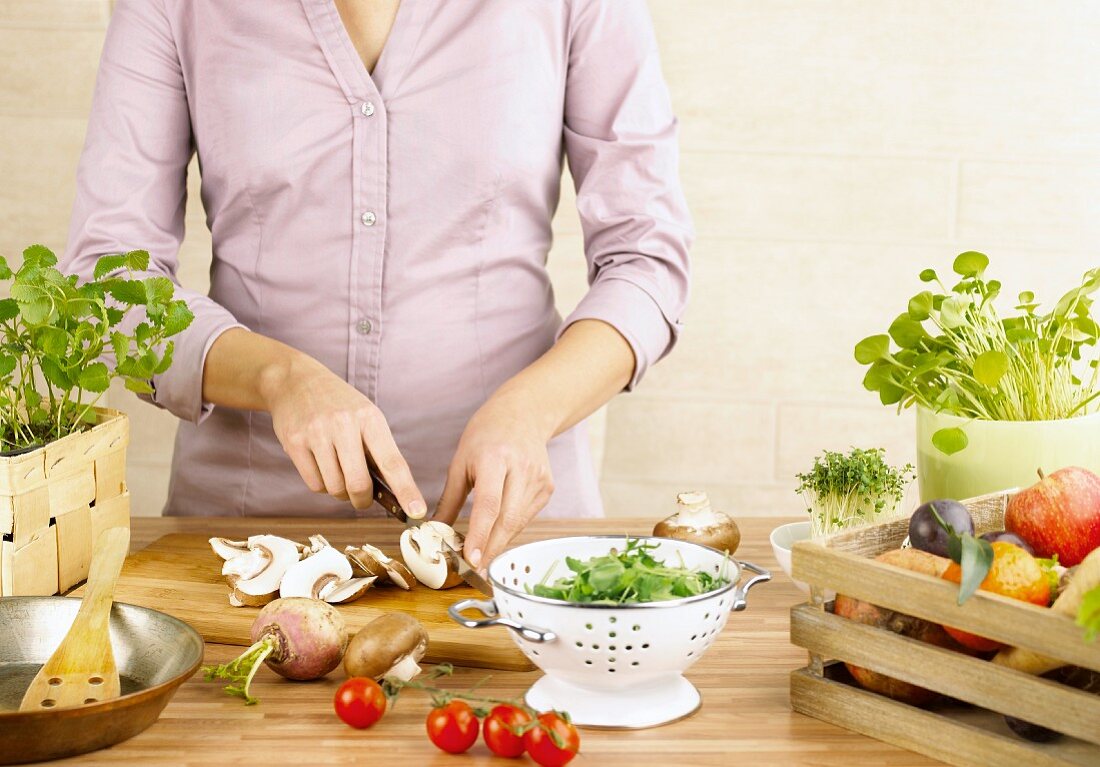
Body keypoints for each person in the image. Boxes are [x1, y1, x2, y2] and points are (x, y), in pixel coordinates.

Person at [63, 0, 692, 567]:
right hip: (247, 538)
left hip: (508, 532)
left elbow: (645, 256)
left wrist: (530, 409)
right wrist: (277, 377)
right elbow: (106, 280)